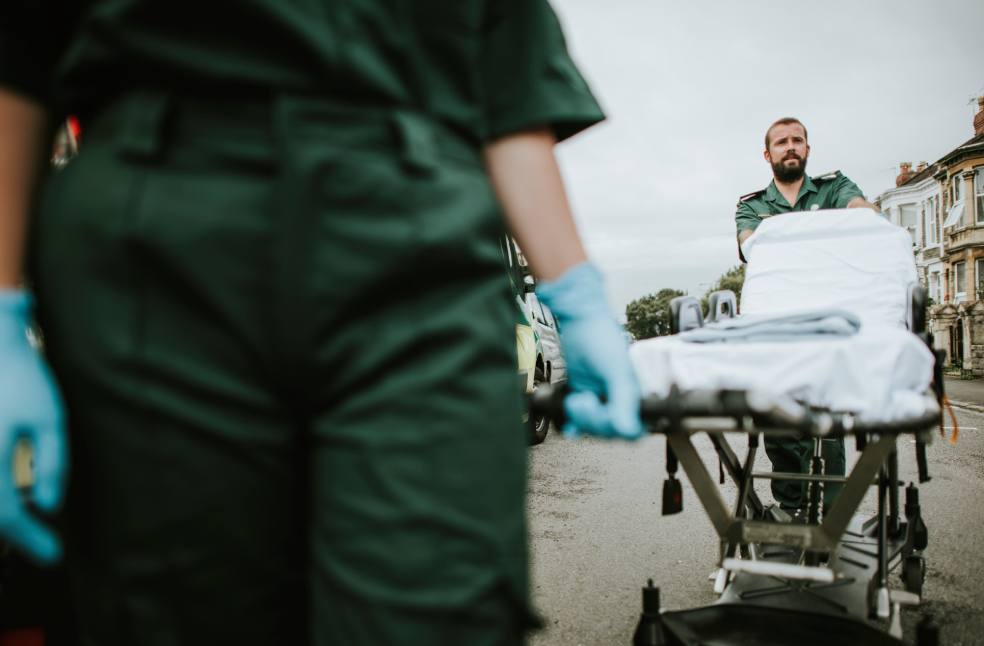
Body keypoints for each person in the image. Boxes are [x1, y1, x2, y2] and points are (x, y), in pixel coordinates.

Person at [0, 2, 642, 644]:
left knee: (439, 605)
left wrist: (573, 292)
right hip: (155, 234)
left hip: (416, 233)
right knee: (180, 609)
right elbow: (20, 58)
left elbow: (510, 85)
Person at [734, 116, 878, 514]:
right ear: (768, 154)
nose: (790, 146)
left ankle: (829, 516)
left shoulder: (835, 187)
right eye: (781, 142)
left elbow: (865, 216)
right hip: (775, 331)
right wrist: (827, 237)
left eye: (798, 140)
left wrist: (860, 220)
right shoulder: (752, 206)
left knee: (825, 425)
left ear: (808, 149)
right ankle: (791, 507)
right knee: (778, 426)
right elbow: (753, 248)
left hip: (828, 325)